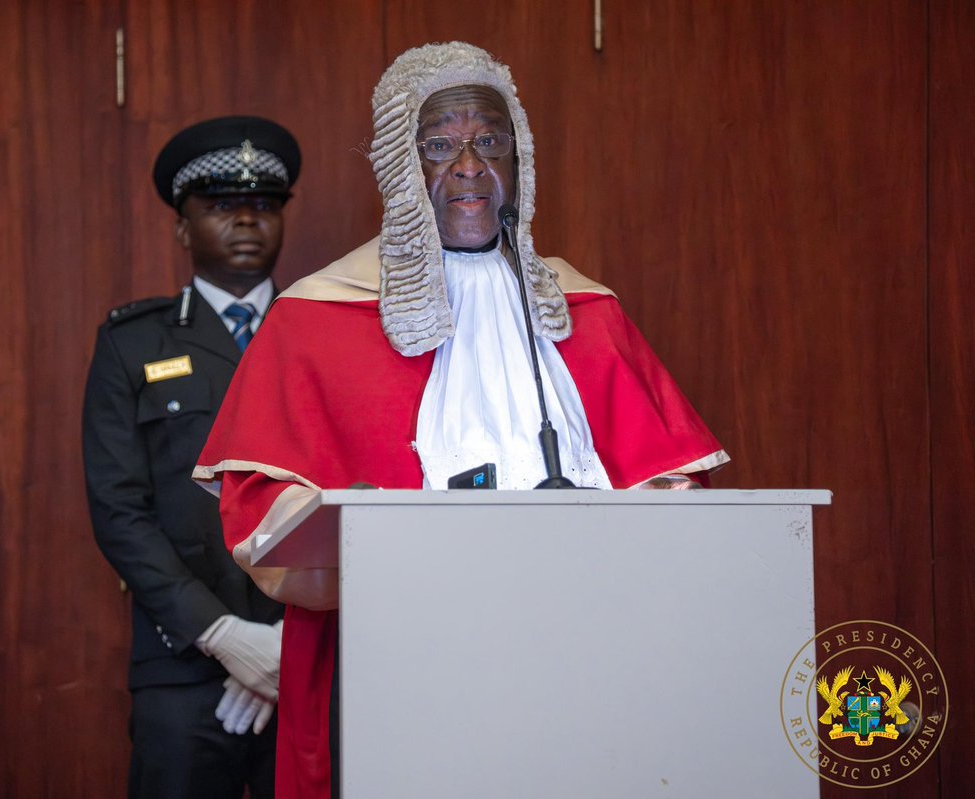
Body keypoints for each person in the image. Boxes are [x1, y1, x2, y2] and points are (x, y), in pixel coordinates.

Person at [194, 43, 730, 799]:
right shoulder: (313, 317)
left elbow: (673, 486)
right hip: (402, 665)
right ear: (397, 166)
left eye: (492, 142)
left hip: (584, 655)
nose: (471, 166)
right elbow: (259, 511)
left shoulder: (586, 309)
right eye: (441, 145)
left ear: (523, 161)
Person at [82, 115, 301, 799]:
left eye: (264, 205)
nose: (246, 221)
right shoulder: (133, 343)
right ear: (182, 226)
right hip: (181, 662)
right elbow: (121, 511)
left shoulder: (319, 336)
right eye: (221, 206)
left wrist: (283, 648)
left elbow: (360, 492)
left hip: (307, 660)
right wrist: (225, 634)